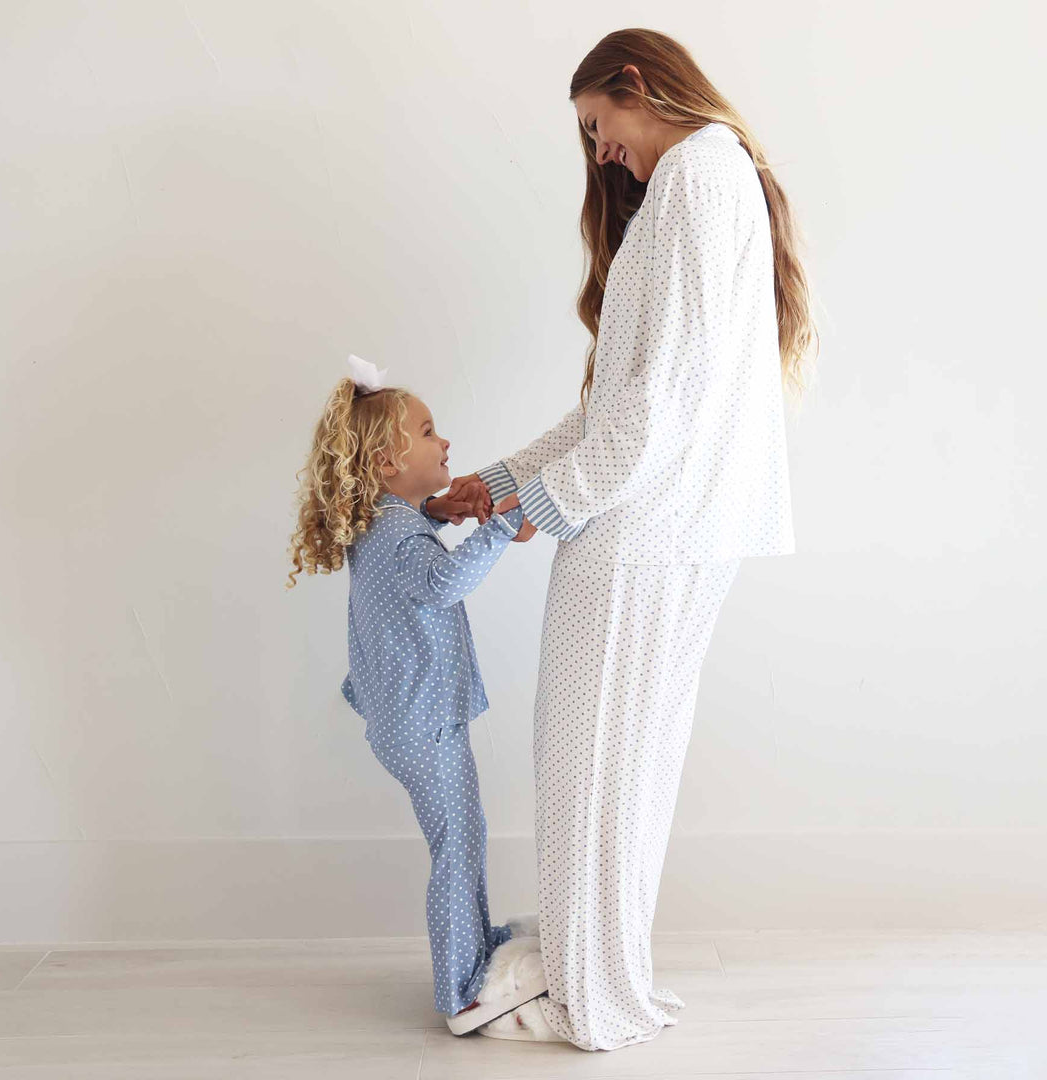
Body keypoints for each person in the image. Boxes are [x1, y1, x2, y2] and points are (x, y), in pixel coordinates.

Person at [446, 28, 816, 1051]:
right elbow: (622, 401)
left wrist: (537, 508)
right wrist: (500, 482)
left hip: (643, 527)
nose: (599, 153)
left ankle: (584, 992)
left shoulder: (697, 176)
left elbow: (657, 405)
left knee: (589, 765)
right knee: (626, 765)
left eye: (597, 127)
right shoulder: (711, 179)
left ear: (637, 86)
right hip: (678, 524)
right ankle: (604, 978)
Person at [286, 355, 547, 1035]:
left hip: (402, 717)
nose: (446, 443)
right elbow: (441, 583)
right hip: (424, 719)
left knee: (463, 835)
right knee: (459, 841)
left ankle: (474, 952)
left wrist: (443, 504)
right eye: (429, 432)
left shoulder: (380, 522)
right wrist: (495, 527)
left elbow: (412, 534)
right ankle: (463, 988)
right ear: (384, 464)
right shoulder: (401, 535)